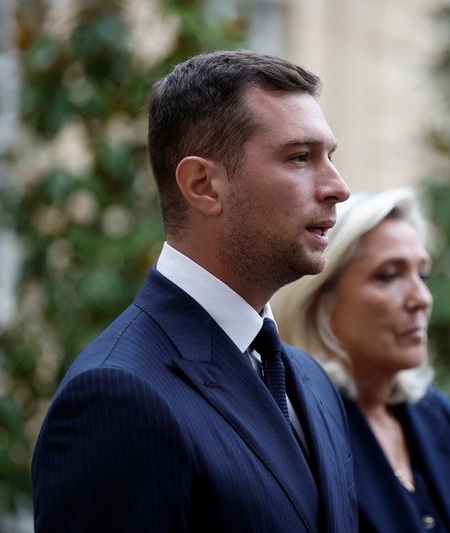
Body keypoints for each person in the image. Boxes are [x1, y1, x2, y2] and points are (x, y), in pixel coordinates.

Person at [31, 51, 357, 532]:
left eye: (330, 157)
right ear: (202, 185)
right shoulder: (118, 398)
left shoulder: (309, 380)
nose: (338, 187)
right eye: (299, 158)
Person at [275, 188, 450, 533]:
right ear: (320, 302)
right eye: (389, 275)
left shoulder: (443, 419)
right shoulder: (293, 431)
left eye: (423, 275)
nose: (421, 299)